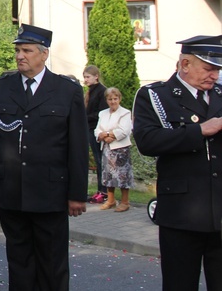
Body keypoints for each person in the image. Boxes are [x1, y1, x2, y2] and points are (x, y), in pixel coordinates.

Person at [0, 24, 88, 291]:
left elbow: (78, 146)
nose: (19, 56)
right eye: (17, 50)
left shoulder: (66, 90)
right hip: (12, 193)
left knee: (53, 264)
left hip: (51, 193)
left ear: (44, 54)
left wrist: (77, 194)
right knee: (19, 262)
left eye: (26, 50)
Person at [133, 35, 222, 290]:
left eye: (217, 70)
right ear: (184, 64)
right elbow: (147, 141)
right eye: (208, 69)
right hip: (182, 212)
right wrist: (200, 131)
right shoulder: (156, 95)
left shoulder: (220, 94)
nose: (214, 76)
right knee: (179, 283)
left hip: (220, 211)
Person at [94, 87, 133, 212]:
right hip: (106, 147)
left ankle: (125, 202)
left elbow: (124, 130)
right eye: (110, 99)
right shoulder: (103, 113)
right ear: (106, 100)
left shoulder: (125, 113)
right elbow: (97, 130)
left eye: (115, 98)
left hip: (121, 148)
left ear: (119, 99)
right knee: (108, 174)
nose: (113, 101)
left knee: (122, 175)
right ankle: (111, 200)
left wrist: (110, 135)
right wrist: (104, 135)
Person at [83, 65, 109, 203]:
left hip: (97, 129)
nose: (86, 80)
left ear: (96, 76)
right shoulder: (90, 91)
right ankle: (100, 190)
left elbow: (101, 113)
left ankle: (103, 191)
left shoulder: (101, 91)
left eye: (88, 77)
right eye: (85, 77)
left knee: (100, 161)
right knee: (98, 161)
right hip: (90, 128)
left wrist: (84, 117)